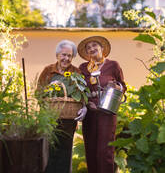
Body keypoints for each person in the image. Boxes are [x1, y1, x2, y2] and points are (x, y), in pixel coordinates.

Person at [77, 36, 127, 173]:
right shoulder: (83, 68)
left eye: (95, 45)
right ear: (86, 53)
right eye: (88, 47)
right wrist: (87, 105)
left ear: (102, 48)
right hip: (90, 113)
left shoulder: (113, 65)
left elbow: (123, 86)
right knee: (91, 150)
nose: (92, 49)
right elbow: (79, 89)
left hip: (107, 113)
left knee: (105, 151)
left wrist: (116, 86)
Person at [36, 40, 86, 173]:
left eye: (69, 56)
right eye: (64, 55)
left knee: (65, 154)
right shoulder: (48, 71)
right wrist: (48, 98)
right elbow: (38, 93)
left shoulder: (76, 72)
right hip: (49, 120)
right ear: (57, 55)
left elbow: (81, 95)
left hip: (68, 120)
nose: (66, 58)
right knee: (49, 153)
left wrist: (83, 106)